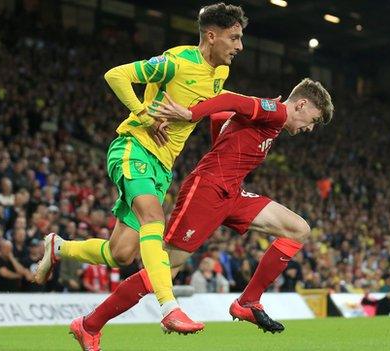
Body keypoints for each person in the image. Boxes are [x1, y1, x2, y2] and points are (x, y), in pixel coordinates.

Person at [32, 2, 248, 347]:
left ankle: (60, 248)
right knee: (153, 218)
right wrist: (144, 114)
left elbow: (211, 106)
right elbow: (115, 75)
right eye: (234, 38)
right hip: (135, 148)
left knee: (121, 253)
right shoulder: (175, 63)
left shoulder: (220, 73)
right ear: (212, 35)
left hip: (161, 166)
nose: (239, 46)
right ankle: (169, 307)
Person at [71, 78, 333, 346]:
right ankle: (89, 325)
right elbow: (229, 102)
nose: (310, 128)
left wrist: (222, 143)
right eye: (313, 119)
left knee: (298, 229)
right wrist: (190, 114)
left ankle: (248, 301)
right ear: (301, 104)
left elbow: (221, 115)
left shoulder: (274, 119)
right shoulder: (275, 111)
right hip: (206, 191)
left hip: (232, 192)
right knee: (165, 269)